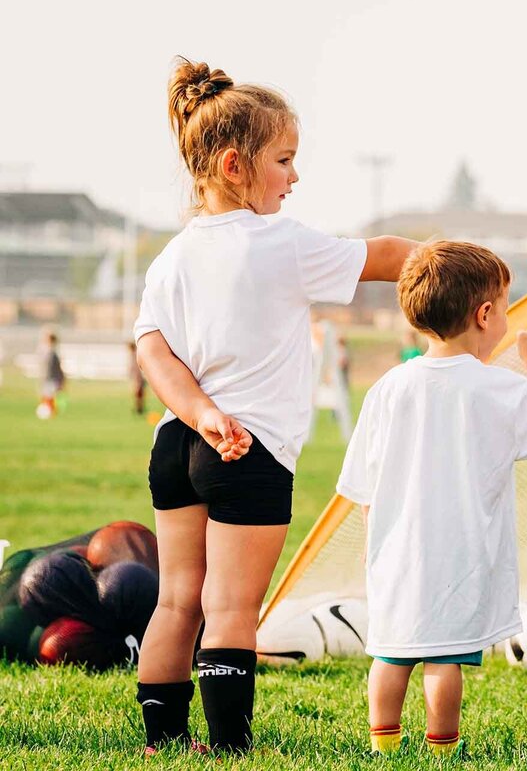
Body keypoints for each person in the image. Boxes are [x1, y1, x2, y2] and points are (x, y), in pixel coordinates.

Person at [133, 58, 417, 756]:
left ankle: (161, 741)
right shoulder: (281, 243)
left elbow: (152, 352)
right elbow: (382, 257)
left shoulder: (172, 257)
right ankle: (230, 748)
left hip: (177, 446)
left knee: (177, 601)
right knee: (230, 608)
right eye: (284, 161)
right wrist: (456, 259)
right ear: (235, 164)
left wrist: (199, 412)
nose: (295, 177)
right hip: (247, 450)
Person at [337, 240, 527, 759]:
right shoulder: (497, 388)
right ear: (484, 314)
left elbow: (365, 482)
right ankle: (442, 748)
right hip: (461, 557)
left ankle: (384, 746)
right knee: (444, 659)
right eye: (505, 308)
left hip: (394, 551)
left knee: (390, 654)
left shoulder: (388, 388)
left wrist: (374, 540)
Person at [38, 330, 65, 418]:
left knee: (49, 397)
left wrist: (61, 380)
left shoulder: (52, 353)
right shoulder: (47, 351)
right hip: (47, 379)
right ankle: (48, 413)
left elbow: (57, 369)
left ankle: (50, 414)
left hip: (51, 379)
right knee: (46, 397)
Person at [129, 341, 146, 416]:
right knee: (138, 395)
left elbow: (137, 369)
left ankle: (139, 409)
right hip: (138, 378)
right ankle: (139, 409)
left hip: (139, 379)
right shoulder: (134, 355)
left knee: (139, 394)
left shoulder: (136, 355)